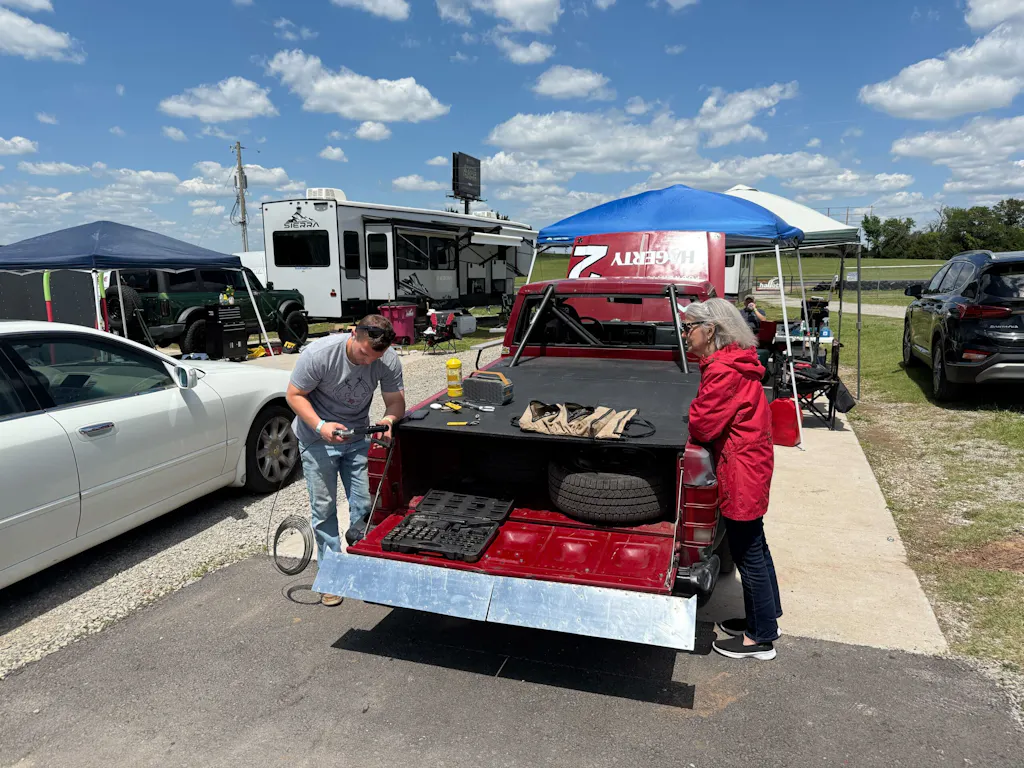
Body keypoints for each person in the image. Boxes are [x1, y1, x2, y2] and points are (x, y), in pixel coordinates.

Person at [682, 298, 781, 660]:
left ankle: (760, 638)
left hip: (740, 467)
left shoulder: (723, 370)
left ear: (710, 331)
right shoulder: (735, 361)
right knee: (756, 544)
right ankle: (767, 619)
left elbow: (703, 424)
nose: (685, 334)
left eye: (689, 327)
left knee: (747, 551)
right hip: (750, 462)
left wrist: (691, 412)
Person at [286, 315, 406, 607]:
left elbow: (395, 401)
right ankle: (332, 574)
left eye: (374, 357)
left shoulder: (387, 360)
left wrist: (389, 419)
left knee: (363, 505)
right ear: (354, 333)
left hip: (356, 438)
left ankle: (362, 569)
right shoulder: (318, 354)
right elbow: (294, 395)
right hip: (317, 439)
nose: (367, 362)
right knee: (324, 508)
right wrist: (320, 426)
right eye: (363, 353)